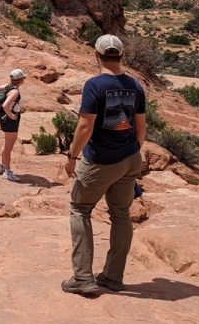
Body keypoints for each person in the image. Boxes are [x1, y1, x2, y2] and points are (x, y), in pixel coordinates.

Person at [62, 34, 146, 297]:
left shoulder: (94, 85)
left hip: (101, 160)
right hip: (130, 158)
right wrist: (132, 153)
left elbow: (85, 126)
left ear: (96, 55)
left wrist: (72, 156)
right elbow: (140, 127)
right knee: (120, 213)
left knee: (79, 208)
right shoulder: (136, 86)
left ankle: (83, 278)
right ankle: (112, 276)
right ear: (121, 56)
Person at [0, 68, 26, 181]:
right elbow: (5, 105)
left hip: (6, 120)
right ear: (21, 80)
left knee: (6, 144)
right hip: (11, 120)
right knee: (9, 147)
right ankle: (8, 172)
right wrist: (11, 115)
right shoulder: (15, 91)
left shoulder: (9, 87)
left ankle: (3, 166)